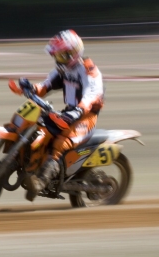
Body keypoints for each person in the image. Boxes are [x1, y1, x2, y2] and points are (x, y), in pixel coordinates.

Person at [11, 29, 104, 201]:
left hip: (86, 117)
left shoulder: (89, 70)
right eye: (57, 55)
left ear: (74, 53)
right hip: (70, 113)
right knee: (38, 130)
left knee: (60, 143)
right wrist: (30, 89)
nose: (58, 59)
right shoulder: (63, 70)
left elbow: (92, 95)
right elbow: (46, 85)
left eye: (62, 55)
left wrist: (78, 111)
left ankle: (40, 182)